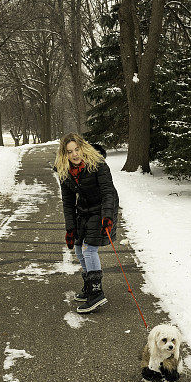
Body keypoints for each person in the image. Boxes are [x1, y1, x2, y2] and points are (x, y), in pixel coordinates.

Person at [55, 133, 119, 313]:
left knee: (88, 249)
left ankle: (97, 293)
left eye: (77, 149)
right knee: (77, 246)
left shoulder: (98, 165)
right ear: (64, 154)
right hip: (84, 209)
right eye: (69, 152)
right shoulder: (65, 171)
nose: (74, 154)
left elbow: (108, 193)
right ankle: (89, 286)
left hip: (103, 207)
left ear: (83, 148)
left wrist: (107, 217)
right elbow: (67, 203)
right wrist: (70, 229)